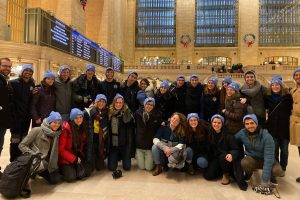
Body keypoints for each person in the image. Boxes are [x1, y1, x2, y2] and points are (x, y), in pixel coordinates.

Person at [235, 114, 283, 187]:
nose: (250, 126)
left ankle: (271, 176)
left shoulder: (267, 137)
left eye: (252, 123)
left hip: (266, 159)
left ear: (256, 123)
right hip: (253, 159)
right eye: (247, 124)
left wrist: (264, 180)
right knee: (244, 162)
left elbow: (268, 159)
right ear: (244, 125)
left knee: (277, 171)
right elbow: (232, 140)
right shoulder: (242, 133)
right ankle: (249, 174)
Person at [19, 111, 62, 184]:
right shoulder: (37, 130)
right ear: (49, 122)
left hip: (47, 162)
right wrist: (34, 154)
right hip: (35, 159)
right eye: (54, 122)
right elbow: (22, 145)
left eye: (58, 123)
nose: (57, 125)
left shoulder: (57, 134)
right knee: (47, 169)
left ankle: (40, 171)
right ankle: (32, 172)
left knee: (55, 179)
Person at [205, 114, 247, 190]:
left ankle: (226, 174)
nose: (216, 124)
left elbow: (236, 149)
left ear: (222, 124)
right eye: (214, 122)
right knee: (208, 176)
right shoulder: (210, 133)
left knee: (222, 157)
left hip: (226, 159)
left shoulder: (228, 135)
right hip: (216, 158)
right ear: (211, 123)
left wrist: (231, 154)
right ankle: (221, 171)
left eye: (219, 123)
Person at [264, 76, 292, 177]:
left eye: (277, 85)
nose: (275, 86)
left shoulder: (288, 98)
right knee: (274, 150)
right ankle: (276, 168)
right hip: (273, 129)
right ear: (270, 87)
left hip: (285, 129)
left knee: (284, 151)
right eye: (273, 85)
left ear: (281, 86)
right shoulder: (267, 98)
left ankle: (283, 167)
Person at [58, 108, 94, 182]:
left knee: (87, 171)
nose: (79, 119)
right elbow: (61, 150)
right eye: (76, 118)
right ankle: (61, 170)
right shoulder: (66, 130)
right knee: (71, 177)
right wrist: (74, 159)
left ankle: (74, 169)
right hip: (66, 158)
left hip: (78, 156)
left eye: (81, 117)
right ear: (72, 119)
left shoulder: (83, 127)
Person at [9, 64, 35, 162]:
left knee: (24, 139)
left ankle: (21, 160)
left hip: (26, 117)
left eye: (30, 71)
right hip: (16, 117)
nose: (28, 72)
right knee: (15, 140)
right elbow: (10, 101)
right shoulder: (13, 83)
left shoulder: (32, 84)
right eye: (26, 70)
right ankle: (13, 160)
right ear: (22, 71)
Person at [107, 94, 134, 171]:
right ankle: (115, 158)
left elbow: (131, 129)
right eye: (117, 102)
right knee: (112, 168)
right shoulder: (109, 112)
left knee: (127, 167)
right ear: (114, 103)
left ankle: (123, 158)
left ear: (123, 103)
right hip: (113, 144)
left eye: (120, 103)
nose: (118, 104)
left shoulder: (127, 113)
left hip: (124, 144)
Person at [134, 97, 162, 171]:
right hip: (139, 145)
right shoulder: (137, 113)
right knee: (142, 167)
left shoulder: (157, 116)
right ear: (144, 104)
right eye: (148, 104)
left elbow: (159, 129)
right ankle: (139, 156)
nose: (149, 106)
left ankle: (151, 159)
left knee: (148, 168)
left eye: (151, 105)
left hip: (149, 145)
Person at [88, 94, 109, 170]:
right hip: (92, 137)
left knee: (100, 167)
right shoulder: (90, 111)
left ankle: (100, 158)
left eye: (103, 102)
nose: (101, 103)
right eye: (99, 101)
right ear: (96, 102)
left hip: (101, 137)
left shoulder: (107, 112)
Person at [0, 57, 13, 157]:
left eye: (9, 66)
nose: (7, 68)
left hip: (2, 121)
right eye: (4, 66)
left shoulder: (5, 81)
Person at [290, 68, 300, 183]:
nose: (298, 76)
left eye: (299, 75)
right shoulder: (293, 90)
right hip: (296, 123)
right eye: (296, 75)